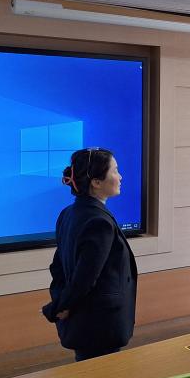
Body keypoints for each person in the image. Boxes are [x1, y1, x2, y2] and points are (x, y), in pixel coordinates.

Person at [42, 148, 138, 362]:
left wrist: (61, 303)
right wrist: (57, 307)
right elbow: (84, 278)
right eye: (115, 171)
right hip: (99, 325)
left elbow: (58, 268)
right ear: (96, 182)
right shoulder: (98, 222)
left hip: (84, 323)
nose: (121, 177)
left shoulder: (68, 214)